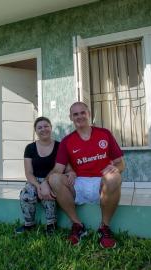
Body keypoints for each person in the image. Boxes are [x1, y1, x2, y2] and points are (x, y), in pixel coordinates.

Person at [48, 102, 125, 248]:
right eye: (75, 114)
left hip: (102, 181)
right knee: (54, 179)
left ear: (89, 114)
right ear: (70, 117)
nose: (79, 116)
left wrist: (115, 169)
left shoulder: (104, 134)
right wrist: (45, 183)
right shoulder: (66, 141)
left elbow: (121, 163)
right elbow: (57, 170)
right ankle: (77, 225)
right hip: (79, 183)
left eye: (82, 112)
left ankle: (104, 227)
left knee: (115, 177)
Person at [16, 116, 75, 234]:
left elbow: (67, 168)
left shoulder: (60, 146)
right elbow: (28, 173)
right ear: (36, 131)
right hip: (35, 181)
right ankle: (29, 224)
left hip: (52, 179)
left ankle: (51, 225)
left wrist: (71, 172)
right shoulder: (30, 148)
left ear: (51, 128)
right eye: (40, 127)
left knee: (48, 194)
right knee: (26, 194)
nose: (43, 129)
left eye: (46, 126)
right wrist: (38, 186)